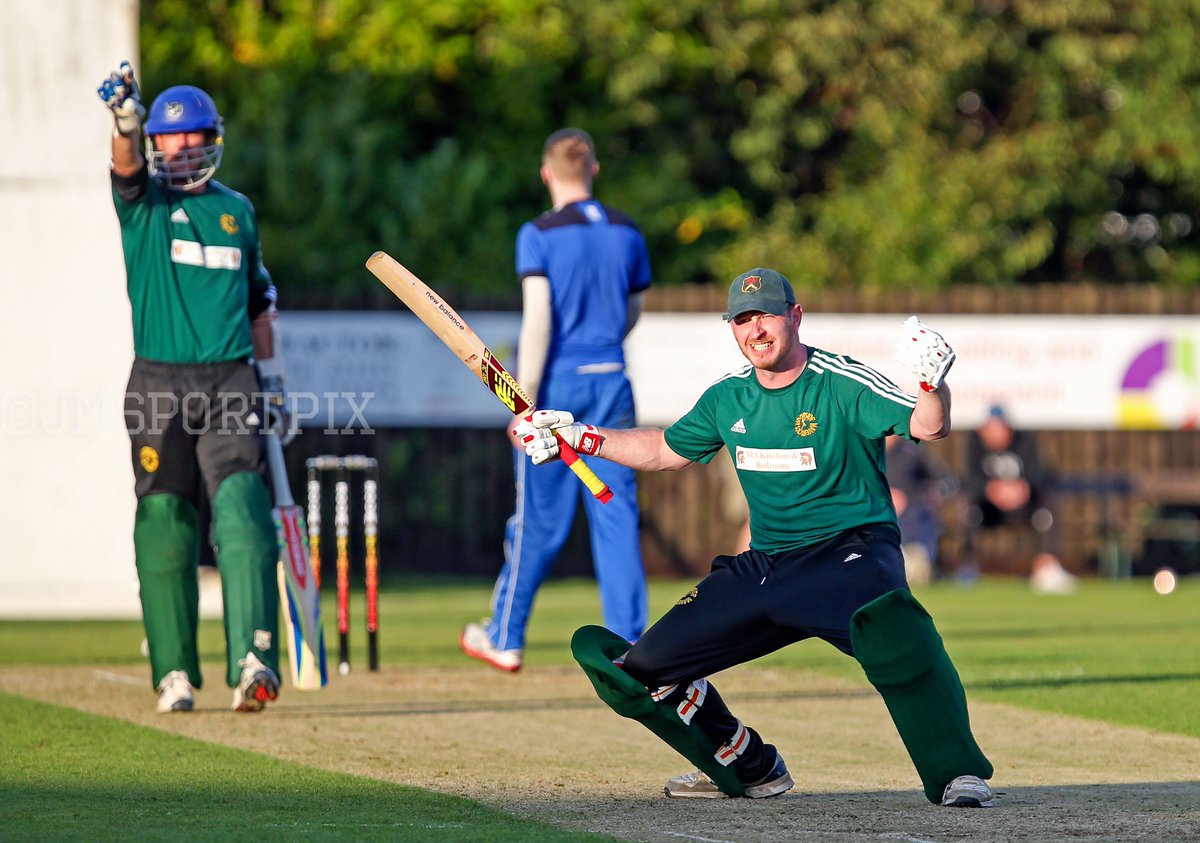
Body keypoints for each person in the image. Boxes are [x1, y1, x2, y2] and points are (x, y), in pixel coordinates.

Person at [514, 268, 994, 806]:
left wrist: (933, 386)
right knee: (641, 672)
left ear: (795, 316)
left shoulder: (840, 379)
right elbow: (664, 450)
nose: (755, 330)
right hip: (767, 564)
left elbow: (928, 426)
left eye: (765, 315)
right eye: (742, 320)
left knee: (895, 632)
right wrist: (579, 436)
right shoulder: (729, 397)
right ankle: (748, 764)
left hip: (850, 553)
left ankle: (957, 774)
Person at [98, 62, 288, 712]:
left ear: (214, 136)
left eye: (195, 134)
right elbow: (124, 164)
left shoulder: (237, 211)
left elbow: (260, 301)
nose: (183, 146)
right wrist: (124, 119)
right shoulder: (145, 203)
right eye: (169, 137)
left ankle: (255, 657)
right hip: (157, 380)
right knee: (164, 517)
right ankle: (173, 670)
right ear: (155, 143)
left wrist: (277, 382)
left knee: (242, 510)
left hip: (232, 377)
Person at [460, 128, 651, 672]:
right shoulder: (627, 231)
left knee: (539, 517)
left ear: (546, 173)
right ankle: (632, 644)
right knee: (615, 512)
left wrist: (525, 399)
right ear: (595, 168)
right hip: (613, 378)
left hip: (559, 385)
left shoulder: (538, 233)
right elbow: (633, 310)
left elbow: (538, 320)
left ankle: (506, 635)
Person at [963, 404, 1076, 593]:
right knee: (969, 510)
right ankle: (967, 566)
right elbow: (971, 479)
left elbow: (1039, 475)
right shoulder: (974, 442)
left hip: (1023, 505)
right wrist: (993, 489)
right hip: (990, 508)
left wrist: (1022, 488)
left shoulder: (1025, 441)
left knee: (1047, 508)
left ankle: (1048, 568)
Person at [886, 434, 955, 585]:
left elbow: (947, 482)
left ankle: (919, 559)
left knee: (921, 515)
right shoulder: (863, 450)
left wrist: (932, 494)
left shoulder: (913, 451)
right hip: (875, 510)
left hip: (912, 512)